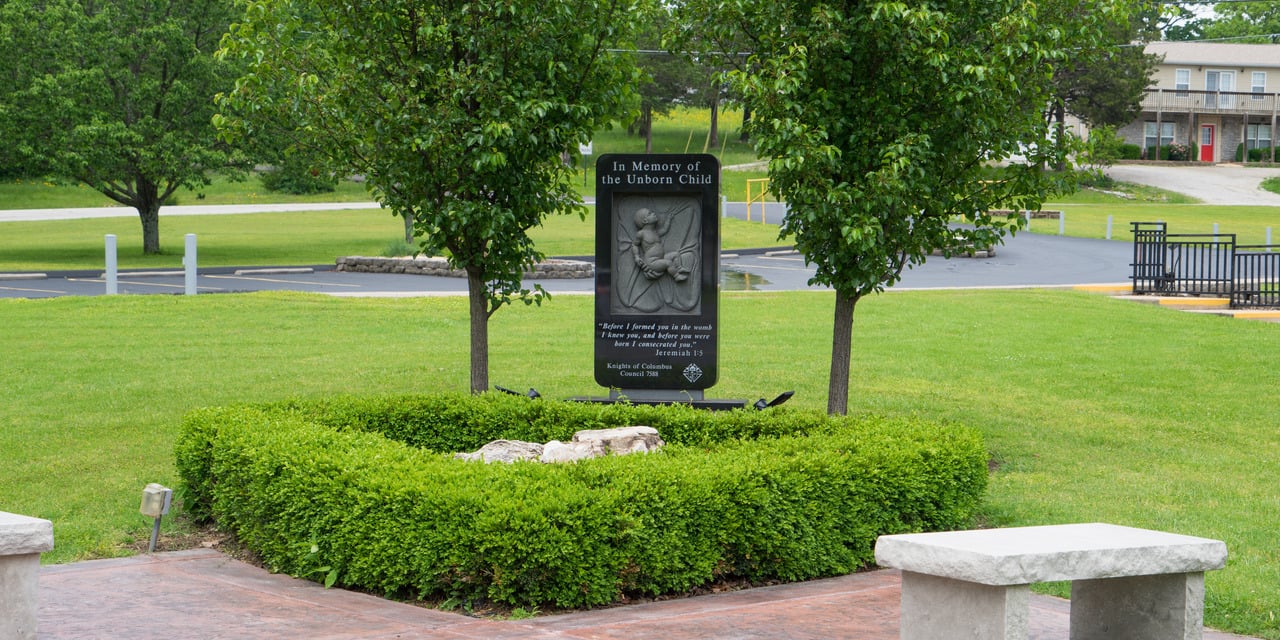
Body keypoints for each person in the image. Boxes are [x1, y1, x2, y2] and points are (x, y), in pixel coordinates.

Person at [631, 207, 690, 281]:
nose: (653, 213)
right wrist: (637, 257)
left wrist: (669, 219)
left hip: (661, 258)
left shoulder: (655, 232)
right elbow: (635, 245)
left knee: (676, 254)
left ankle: (679, 268)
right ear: (645, 221)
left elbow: (664, 230)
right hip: (652, 262)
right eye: (650, 213)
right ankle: (676, 276)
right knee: (668, 263)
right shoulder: (641, 233)